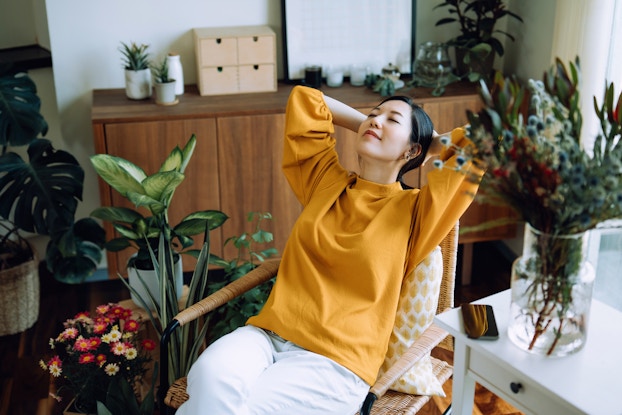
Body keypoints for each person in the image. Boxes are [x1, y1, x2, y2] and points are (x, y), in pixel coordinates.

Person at [176, 85, 483, 415]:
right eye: (373, 114)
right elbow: (306, 101)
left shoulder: (418, 212)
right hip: (267, 335)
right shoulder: (325, 182)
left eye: (392, 120)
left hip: (337, 362)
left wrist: (431, 145)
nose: (376, 121)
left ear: (411, 152)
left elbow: (477, 143)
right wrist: (371, 125)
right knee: (208, 377)